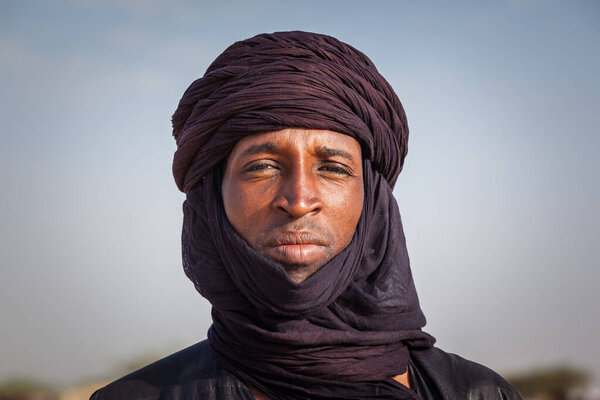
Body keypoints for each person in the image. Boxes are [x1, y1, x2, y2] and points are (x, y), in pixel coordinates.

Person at [91, 31, 521, 400]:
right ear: (212, 198)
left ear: (372, 201)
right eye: (261, 166)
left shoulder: (480, 392)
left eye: (333, 168)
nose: (298, 200)